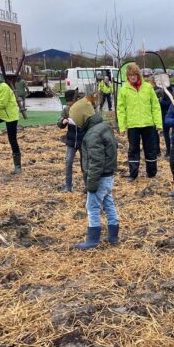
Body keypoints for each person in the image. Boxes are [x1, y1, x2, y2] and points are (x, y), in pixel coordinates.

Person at [69, 97, 119, 249]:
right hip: (108, 175)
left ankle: (92, 240)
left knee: (92, 207)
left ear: (82, 117)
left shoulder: (92, 135)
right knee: (108, 203)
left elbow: (96, 161)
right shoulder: (103, 126)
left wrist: (91, 184)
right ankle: (113, 235)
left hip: (99, 178)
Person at [116, 63, 162, 182]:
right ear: (127, 76)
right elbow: (120, 109)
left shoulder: (148, 87)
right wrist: (122, 126)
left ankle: (151, 173)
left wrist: (158, 123)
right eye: (130, 75)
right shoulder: (124, 90)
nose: (132, 77)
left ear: (138, 75)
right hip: (133, 125)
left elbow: (155, 106)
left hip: (148, 124)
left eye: (134, 74)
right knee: (133, 150)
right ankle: (133, 174)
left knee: (150, 149)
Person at [0, 72, 22, 174]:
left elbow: (1, 104)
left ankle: (18, 166)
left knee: (12, 139)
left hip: (10, 116)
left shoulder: (3, 87)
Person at [57, 89, 84, 192]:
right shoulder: (66, 110)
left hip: (83, 140)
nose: (69, 104)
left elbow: (90, 120)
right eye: (68, 102)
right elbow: (59, 122)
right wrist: (62, 122)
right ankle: (68, 186)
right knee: (68, 162)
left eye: (71, 102)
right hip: (71, 140)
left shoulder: (82, 108)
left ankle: (88, 185)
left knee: (85, 164)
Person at [157, 86, 172, 157]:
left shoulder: (168, 90)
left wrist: (160, 102)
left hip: (168, 115)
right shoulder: (160, 91)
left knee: (169, 134)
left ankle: (170, 151)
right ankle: (168, 151)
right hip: (163, 116)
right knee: (166, 134)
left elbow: (170, 103)